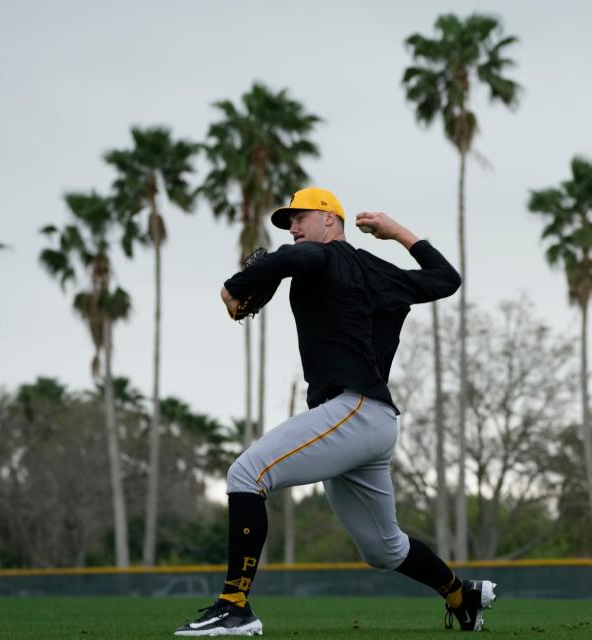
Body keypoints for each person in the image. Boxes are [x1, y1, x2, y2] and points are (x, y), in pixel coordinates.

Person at [174, 187, 496, 637]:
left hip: (353, 408)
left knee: (247, 475)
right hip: (370, 422)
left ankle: (234, 607)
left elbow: (291, 261)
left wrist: (235, 286)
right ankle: (464, 596)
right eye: (288, 223)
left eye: (300, 217)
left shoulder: (323, 257)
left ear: (330, 220)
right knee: (385, 549)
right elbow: (445, 279)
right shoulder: (377, 271)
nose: (292, 228)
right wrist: (398, 232)